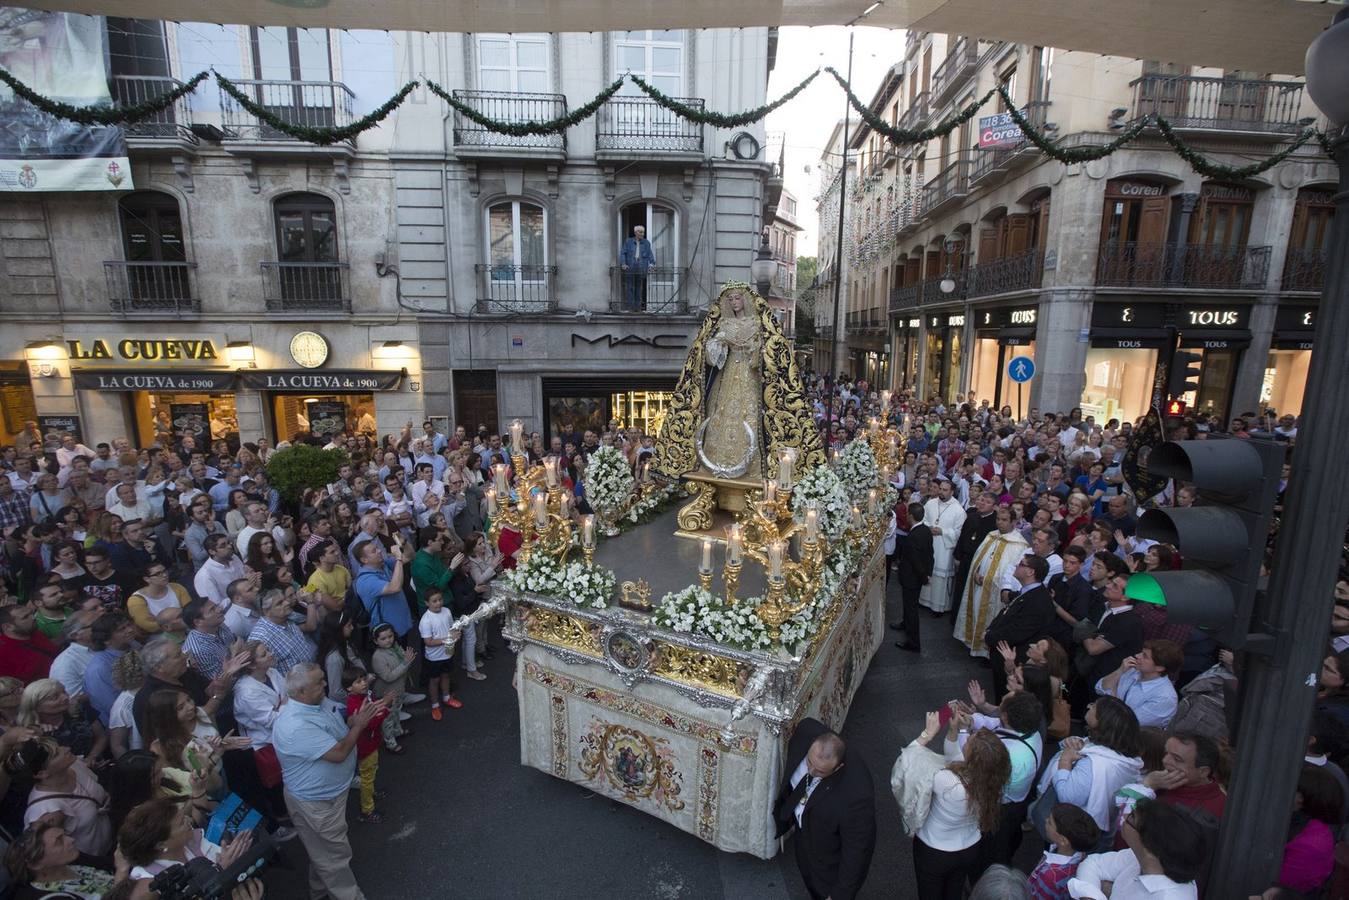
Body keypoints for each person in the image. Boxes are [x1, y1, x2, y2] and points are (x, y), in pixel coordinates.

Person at [272, 662, 388, 900]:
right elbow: (339, 753)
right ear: (301, 692)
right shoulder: (295, 726)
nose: (325, 684)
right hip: (317, 802)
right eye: (319, 682)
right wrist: (359, 725)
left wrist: (353, 720)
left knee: (322, 852)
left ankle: (319, 892)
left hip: (326, 796)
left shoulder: (316, 702)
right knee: (335, 857)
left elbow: (339, 723)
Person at [909, 712, 1010, 900]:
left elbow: (908, 763)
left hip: (935, 851)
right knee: (954, 892)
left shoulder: (947, 782)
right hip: (969, 847)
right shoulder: (992, 781)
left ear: (972, 759)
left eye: (968, 741)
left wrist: (927, 734)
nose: (966, 740)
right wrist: (955, 730)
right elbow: (954, 758)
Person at [772, 718, 876, 900]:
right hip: (805, 833)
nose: (811, 772)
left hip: (827, 858)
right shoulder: (806, 730)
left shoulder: (857, 798)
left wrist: (839, 895)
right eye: (809, 763)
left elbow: (857, 853)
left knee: (820, 890)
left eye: (820, 771)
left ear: (838, 767)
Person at [1035, 696, 1143, 843]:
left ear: (1102, 721)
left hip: (1070, 834)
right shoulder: (1121, 756)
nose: (1089, 706)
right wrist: (1071, 743)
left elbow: (1067, 797)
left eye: (1094, 706)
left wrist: (1065, 760)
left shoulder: (1093, 763)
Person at [1067, 801, 1214, 900]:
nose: (1125, 816)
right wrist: (1093, 895)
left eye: (1131, 818)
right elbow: (1093, 863)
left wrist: (1107, 888)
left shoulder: (1168, 897)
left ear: (1150, 850)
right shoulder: (1142, 857)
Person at [8, 737, 113, 857]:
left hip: (111, 843)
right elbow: (47, 856)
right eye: (57, 754)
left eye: (59, 747)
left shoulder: (73, 765)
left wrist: (105, 797)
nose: (67, 749)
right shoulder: (45, 810)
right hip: (91, 861)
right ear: (42, 773)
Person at [956, 507, 1031, 659]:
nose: (1000, 523)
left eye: (1004, 520)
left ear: (1013, 522)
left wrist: (989, 579)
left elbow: (1012, 572)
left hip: (995, 591)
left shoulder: (1019, 545)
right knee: (975, 610)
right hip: (979, 584)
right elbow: (978, 558)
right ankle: (972, 642)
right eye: (998, 519)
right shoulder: (991, 535)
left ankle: (986, 652)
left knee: (991, 619)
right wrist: (975, 572)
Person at [983, 555, 1055, 700]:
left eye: (1022, 564)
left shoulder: (1038, 601)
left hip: (1016, 659)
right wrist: (990, 630)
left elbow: (1017, 631)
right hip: (1004, 654)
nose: (1017, 566)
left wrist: (989, 637)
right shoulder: (1027, 592)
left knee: (1008, 700)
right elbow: (1005, 613)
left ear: (1030, 572)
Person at [3, 818, 122, 900]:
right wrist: (122, 872)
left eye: (64, 835)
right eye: (59, 841)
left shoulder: (74, 859)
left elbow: (110, 864)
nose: (71, 840)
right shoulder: (51, 897)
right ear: (36, 864)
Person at [1094, 640, 1182, 728]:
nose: (1137, 655)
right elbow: (1100, 688)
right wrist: (1120, 671)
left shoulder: (1165, 698)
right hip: (1103, 725)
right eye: (1141, 652)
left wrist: (1111, 694)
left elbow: (1126, 723)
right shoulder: (1133, 671)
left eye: (1145, 656)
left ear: (1159, 668)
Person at [342, 666, 389, 824]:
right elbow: (369, 723)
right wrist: (385, 708)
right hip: (366, 748)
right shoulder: (355, 704)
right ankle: (367, 810)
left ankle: (371, 793)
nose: (363, 683)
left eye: (363, 679)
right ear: (349, 688)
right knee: (367, 778)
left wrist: (382, 708)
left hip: (371, 744)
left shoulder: (363, 696)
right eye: (358, 681)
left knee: (370, 773)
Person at [1027, 802, 1100, 899]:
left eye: (1050, 823)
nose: (1046, 820)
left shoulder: (1050, 877)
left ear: (1063, 840)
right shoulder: (1081, 853)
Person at [920, 478, 967, 615]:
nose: (941, 492)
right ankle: (923, 601)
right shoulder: (930, 503)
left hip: (944, 549)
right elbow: (923, 519)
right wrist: (929, 527)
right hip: (930, 543)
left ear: (952, 492)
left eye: (945, 490)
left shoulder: (958, 510)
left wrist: (943, 532)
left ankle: (938, 607)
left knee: (940, 578)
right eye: (940, 489)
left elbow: (960, 532)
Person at [893, 501, 933, 653]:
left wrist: (923, 576)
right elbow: (930, 554)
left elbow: (916, 561)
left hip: (911, 578)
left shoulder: (913, 536)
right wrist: (928, 573)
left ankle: (913, 642)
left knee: (911, 609)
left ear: (910, 516)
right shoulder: (926, 530)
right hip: (917, 577)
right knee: (909, 606)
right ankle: (905, 624)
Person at [0, 604, 59, 684]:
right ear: (8, 627)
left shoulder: (34, 632)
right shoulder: (3, 654)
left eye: (32, 613)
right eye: (25, 617)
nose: (33, 617)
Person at [619, 223, 655, 312]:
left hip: (641, 267)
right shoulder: (629, 241)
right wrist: (623, 263)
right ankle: (631, 308)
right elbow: (623, 253)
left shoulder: (646, 243)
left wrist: (651, 264)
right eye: (640, 232)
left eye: (643, 232)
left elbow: (650, 254)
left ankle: (638, 308)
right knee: (630, 287)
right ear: (635, 232)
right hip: (630, 267)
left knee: (639, 288)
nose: (642, 234)